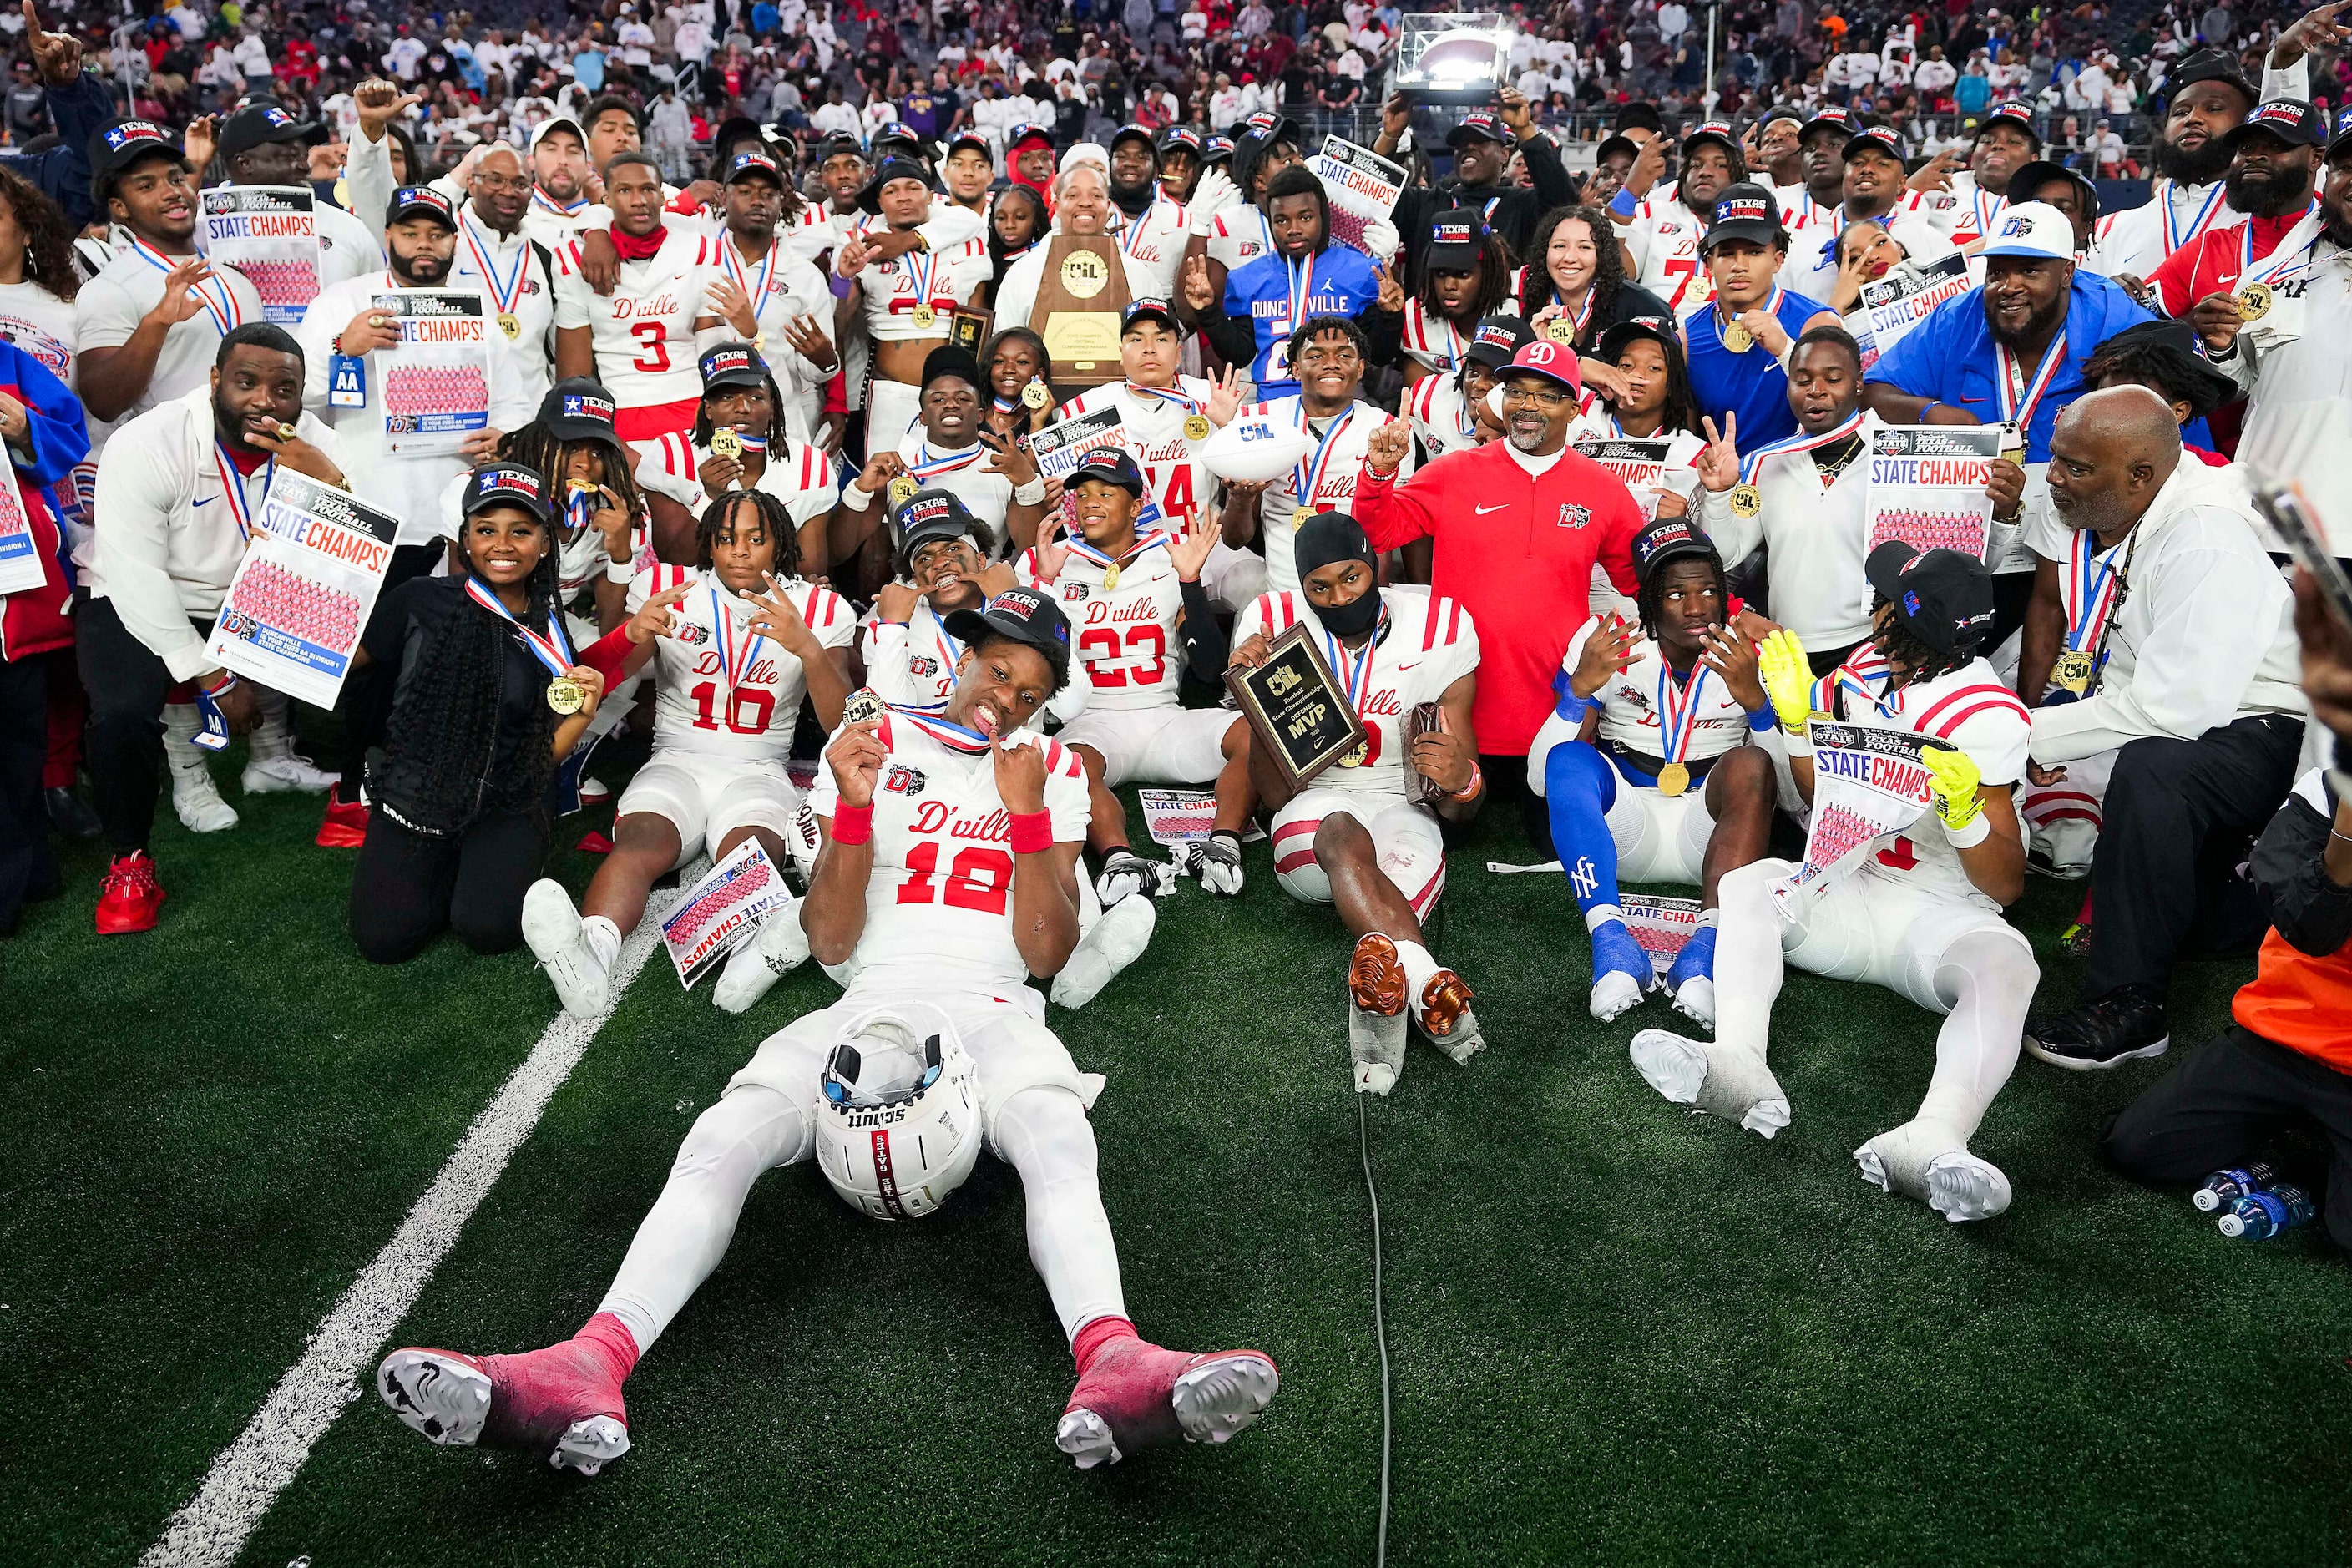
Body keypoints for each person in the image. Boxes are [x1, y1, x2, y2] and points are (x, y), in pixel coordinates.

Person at [376, 586, 1280, 1475]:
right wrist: (849, 806)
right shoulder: (877, 739)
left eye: (1028, 691)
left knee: (1055, 1129)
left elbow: (1045, 954)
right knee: (722, 1131)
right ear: (965, 658)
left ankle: (1116, 1359)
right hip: (867, 995)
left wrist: (1032, 817)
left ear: (1046, 705)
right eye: (996, 670)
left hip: (995, 1003)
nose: (1004, 696)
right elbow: (831, 938)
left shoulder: (1057, 767)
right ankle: (586, 1363)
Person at [1629, 543, 2039, 1222]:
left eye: (1885, 601)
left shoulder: (1986, 716)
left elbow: (2004, 889)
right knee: (1750, 886)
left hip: (1936, 917)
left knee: (2007, 968)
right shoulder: (1864, 669)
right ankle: (1736, 1063)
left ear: (1901, 625)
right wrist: (1793, 722)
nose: (1873, 608)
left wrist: (1965, 818)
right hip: (1849, 886)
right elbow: (1823, 800)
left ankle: (1934, 1136)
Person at [2015, 389, 2307, 1069]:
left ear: (2140, 475)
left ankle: (2130, 1006)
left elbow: (2178, 710)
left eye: (2074, 467)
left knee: (2152, 771)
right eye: (2055, 460)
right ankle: (2241, 914)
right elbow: (2137, 670)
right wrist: (2057, 737)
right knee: (2189, 908)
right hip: (2220, 718)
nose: (2051, 476)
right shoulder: (2150, 519)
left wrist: (2029, 736)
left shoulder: (2201, 536)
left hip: (2273, 728)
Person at [525, 486, 854, 1015]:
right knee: (637, 847)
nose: (740, 551)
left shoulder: (818, 607)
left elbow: (841, 721)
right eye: (725, 539)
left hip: (758, 764)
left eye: (755, 539)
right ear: (708, 545)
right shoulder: (667, 588)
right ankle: (589, 957)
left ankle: (757, 955)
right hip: (675, 757)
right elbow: (604, 679)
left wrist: (808, 648)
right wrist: (633, 633)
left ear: (780, 545)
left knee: (753, 855)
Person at [2100, 570, 2352, 1246]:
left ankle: (2311, 1154)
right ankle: (2302, 1139)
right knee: (2138, 1148)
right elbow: (2308, 927)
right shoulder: (2324, 792)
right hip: (2282, 1039)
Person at [80, 325, 345, 933]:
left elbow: (362, 545)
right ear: (215, 381)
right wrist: (216, 676)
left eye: (285, 389)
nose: (264, 401)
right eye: (247, 382)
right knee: (121, 712)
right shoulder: (149, 441)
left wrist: (325, 477)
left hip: (247, 591)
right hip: (138, 590)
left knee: (377, 635)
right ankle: (130, 860)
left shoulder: (314, 441)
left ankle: (326, 781)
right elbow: (137, 576)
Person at [1229, 513, 1487, 1095]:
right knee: (1340, 832)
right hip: (1314, 809)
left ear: (1378, 566)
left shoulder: (1439, 623)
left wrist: (1462, 781)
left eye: (1352, 577)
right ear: (1301, 590)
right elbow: (1273, 797)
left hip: (1403, 803)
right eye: (1320, 587)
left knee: (1385, 912)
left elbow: (1460, 807)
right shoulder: (1270, 625)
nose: (1340, 596)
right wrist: (1255, 692)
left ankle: (1389, 991)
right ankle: (1428, 983)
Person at [1353, 339, 1645, 825]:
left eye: (1547, 396)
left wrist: (1731, 608)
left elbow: (1642, 581)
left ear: (1575, 409)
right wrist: (1380, 475)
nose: (1528, 406)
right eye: (1517, 391)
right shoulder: (1453, 472)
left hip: (1552, 715)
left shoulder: (1605, 491)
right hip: (1462, 717)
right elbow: (1381, 530)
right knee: (1453, 828)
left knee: (1548, 835)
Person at [1860, 202, 2153, 654]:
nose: (2008, 287)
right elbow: (1876, 388)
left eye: (2030, 271)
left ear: (2067, 273)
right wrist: (1928, 412)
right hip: (1981, 529)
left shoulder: (2111, 314)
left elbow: (2167, 399)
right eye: (1997, 272)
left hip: (2081, 534)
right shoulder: (1958, 317)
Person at [348, 463, 606, 963]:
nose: (503, 545)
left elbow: (539, 757)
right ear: (465, 539)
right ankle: (441, 862)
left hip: (505, 802)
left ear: (545, 543)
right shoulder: (419, 599)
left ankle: (474, 862)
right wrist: (278, 569)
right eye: (487, 530)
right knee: (384, 940)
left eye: (521, 531)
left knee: (489, 929)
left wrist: (584, 714)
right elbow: (334, 659)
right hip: (418, 799)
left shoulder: (550, 627)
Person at [1526, 517, 1778, 1025]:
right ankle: (1614, 947)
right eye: (1675, 595)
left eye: (1709, 590)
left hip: (1710, 837)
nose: (1696, 607)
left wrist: (1757, 705)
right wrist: (1577, 693)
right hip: (1623, 833)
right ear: (1646, 602)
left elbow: (1794, 798)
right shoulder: (1607, 640)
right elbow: (1539, 778)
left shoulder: (1754, 650)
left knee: (1753, 762)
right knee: (1569, 759)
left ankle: (1704, 954)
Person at [1018, 448, 1245, 901]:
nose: (1091, 503)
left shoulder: (1169, 556)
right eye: (1082, 494)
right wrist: (1043, 585)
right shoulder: (1050, 560)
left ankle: (1223, 845)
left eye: (1106, 492)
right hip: (1092, 723)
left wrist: (1190, 584)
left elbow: (1211, 667)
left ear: (1137, 505)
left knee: (1256, 733)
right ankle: (1121, 858)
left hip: (1165, 717)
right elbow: (1026, 659)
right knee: (1061, 765)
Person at [344, 82, 561, 413]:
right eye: (495, 180)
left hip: (528, 425)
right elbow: (377, 201)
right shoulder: (440, 238)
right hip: (450, 417)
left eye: (520, 183)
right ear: (471, 182)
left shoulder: (545, 252)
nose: (508, 191)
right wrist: (371, 132)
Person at [2197, 104, 2352, 559]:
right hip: (2274, 532)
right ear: (2325, 176)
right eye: (2346, 168)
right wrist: (2220, 346)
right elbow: (2237, 385)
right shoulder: (2269, 273)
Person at [77, 119, 268, 429]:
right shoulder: (109, 288)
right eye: (146, 186)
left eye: (177, 179)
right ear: (120, 207)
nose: (171, 193)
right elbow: (103, 403)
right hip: (168, 468)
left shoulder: (237, 281)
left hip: (249, 458)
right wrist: (157, 322)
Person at [1053, 299, 1251, 595]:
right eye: (1136, 339)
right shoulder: (1084, 410)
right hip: (1127, 549)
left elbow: (1248, 479)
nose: (1149, 348)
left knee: (1251, 578)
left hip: (1203, 541)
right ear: (1121, 353)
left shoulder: (1214, 397)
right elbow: (1074, 507)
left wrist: (1227, 428)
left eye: (1161, 338)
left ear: (1179, 352)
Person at [0, 336, 94, 936]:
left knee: (16, 748)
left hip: (15, 596)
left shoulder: (11, 364)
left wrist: (21, 427)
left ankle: (28, 875)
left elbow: (68, 434)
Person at [1218, 314, 1406, 593]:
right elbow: (1234, 539)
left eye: (1345, 355)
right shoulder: (1259, 423)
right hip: (1283, 598)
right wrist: (1241, 499)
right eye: (1316, 356)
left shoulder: (1388, 430)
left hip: (1357, 597)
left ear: (1361, 367)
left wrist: (1371, 609)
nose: (1331, 363)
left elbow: (1383, 539)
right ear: (1295, 368)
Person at [2095, 48, 2309, 285]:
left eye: (2214, 108)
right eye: (2181, 112)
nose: (2192, 118)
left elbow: (2291, 140)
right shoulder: (2109, 231)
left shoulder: (2272, 209)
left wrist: (2286, 60)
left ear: (2245, 127)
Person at [1190, 165, 1398, 402]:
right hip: (1272, 408)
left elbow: (1380, 355)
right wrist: (1208, 312)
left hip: (1339, 406)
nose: (1294, 229)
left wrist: (1391, 316)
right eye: (1282, 220)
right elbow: (1240, 354)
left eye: (1305, 217)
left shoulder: (1358, 271)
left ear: (1323, 215)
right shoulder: (1247, 277)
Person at [552, 154, 722, 443]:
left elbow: (711, 353)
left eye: (647, 189)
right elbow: (573, 379)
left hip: (693, 405)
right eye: (624, 190)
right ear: (607, 199)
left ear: (661, 195)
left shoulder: (700, 249)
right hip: (620, 411)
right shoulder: (575, 260)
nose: (638, 200)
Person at [833, 154, 993, 456]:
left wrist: (907, 240)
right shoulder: (860, 243)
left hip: (952, 395)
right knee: (884, 483)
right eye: (891, 191)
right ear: (879, 202)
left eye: (913, 188)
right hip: (889, 390)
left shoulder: (965, 238)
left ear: (932, 196)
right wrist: (843, 277)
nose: (903, 197)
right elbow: (838, 324)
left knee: (949, 482)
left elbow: (977, 323)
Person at [634, 343, 840, 574]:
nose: (742, 408)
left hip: (775, 597)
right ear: (708, 410)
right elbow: (676, 563)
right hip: (695, 596)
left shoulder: (810, 464)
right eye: (728, 397)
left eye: (755, 397)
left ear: (773, 408)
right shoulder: (670, 455)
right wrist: (709, 499)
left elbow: (808, 572)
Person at [1681, 183, 1839, 456]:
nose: (1739, 265)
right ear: (1709, 263)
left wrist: (1787, 351)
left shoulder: (1816, 324)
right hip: (1720, 486)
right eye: (1727, 253)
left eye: (1754, 252)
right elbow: (1683, 432)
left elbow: (1842, 417)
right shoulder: (1687, 337)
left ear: (1777, 260)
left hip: (1801, 482)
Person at [701, 148, 840, 444]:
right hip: (709, 413)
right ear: (724, 198)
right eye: (745, 191)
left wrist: (825, 360)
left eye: (768, 193)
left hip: (781, 415)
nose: (757, 201)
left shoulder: (805, 276)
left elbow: (815, 371)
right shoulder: (699, 260)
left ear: (781, 202)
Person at [1378, 93, 1578, 271]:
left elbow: (1562, 201)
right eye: (1462, 143)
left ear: (1503, 155)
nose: (1469, 147)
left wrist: (1525, 129)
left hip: (1504, 312)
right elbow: (1370, 196)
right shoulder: (1424, 204)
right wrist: (1389, 136)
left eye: (1480, 141)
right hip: (1430, 313)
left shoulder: (1522, 205)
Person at [205, 102, 383, 297]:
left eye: (303, 155)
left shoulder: (348, 229)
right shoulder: (201, 232)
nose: (305, 167)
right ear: (245, 164)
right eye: (289, 157)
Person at [1571, 316, 1707, 527]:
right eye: (1626, 365)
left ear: (1673, 382)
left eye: (1654, 368)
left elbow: (1722, 550)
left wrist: (1685, 524)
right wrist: (1573, 367)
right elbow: (1504, 401)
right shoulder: (1576, 407)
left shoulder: (1694, 456)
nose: (1636, 375)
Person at [1612, 119, 1748, 316]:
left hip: (1736, 338)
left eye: (1720, 165)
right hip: (1660, 338)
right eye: (1696, 164)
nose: (1705, 172)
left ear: (1739, 173)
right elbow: (1615, 273)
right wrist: (1629, 193)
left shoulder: (1755, 222)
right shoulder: (1654, 213)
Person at [1515, 204, 1673, 366]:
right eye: (1559, 246)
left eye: (1584, 247)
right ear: (1544, 252)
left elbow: (1672, 372)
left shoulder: (1639, 304)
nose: (1569, 257)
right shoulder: (1530, 301)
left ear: (1602, 254)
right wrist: (1532, 347)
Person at [1399, 207, 1513, 387]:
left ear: (1488, 272)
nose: (1449, 285)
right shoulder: (1415, 317)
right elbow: (1419, 401)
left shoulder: (1519, 305)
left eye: (1463, 274)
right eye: (1441, 273)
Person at [1408, 314, 1527, 460]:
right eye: (1474, 372)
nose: (1479, 384)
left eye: (1494, 377)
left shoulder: (1539, 423)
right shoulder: (1428, 397)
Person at [1104, 121, 1189, 299]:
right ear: (1110, 164)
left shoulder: (1180, 218)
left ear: (1156, 169)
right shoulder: (1092, 214)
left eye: (1142, 157)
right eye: (1122, 156)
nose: (1131, 164)